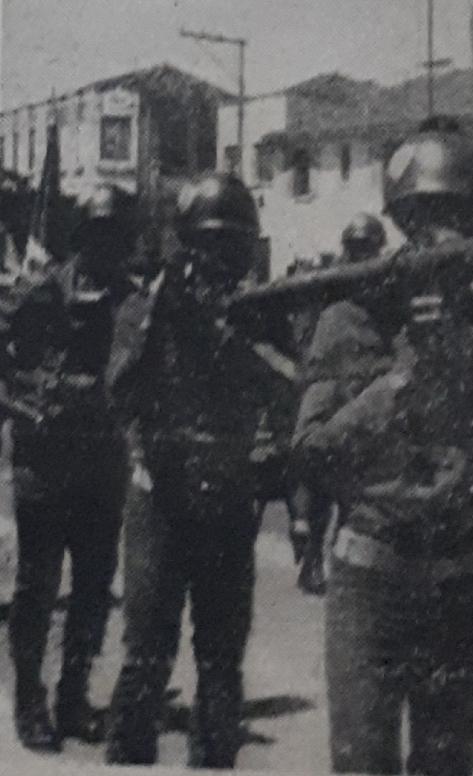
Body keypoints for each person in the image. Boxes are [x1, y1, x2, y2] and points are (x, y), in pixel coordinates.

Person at [292, 117, 473, 776]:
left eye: (463, 221)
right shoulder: (349, 320)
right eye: (431, 219)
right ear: (405, 225)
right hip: (373, 587)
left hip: (463, 587)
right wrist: (397, 383)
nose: (447, 236)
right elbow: (309, 451)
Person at [105, 173, 296, 768]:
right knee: (145, 659)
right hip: (160, 502)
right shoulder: (147, 307)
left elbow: (291, 391)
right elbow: (121, 393)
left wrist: (237, 338)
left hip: (227, 505)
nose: (218, 263)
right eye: (207, 248)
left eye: (231, 249)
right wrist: (160, 313)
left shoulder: (260, 315)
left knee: (220, 663)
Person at [2, 183, 136, 751]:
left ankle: (74, 697)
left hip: (101, 464)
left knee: (91, 588)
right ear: (81, 238)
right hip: (45, 462)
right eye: (98, 235)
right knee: (36, 588)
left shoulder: (132, 299)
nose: (107, 248)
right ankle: (29, 704)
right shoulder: (42, 294)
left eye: (117, 238)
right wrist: (22, 401)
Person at [288, 212, 388, 595]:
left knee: (356, 498)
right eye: (358, 249)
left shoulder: (384, 296)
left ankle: (345, 566)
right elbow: (313, 351)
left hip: (366, 401)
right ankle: (311, 557)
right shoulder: (331, 300)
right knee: (315, 477)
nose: (364, 257)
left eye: (370, 249)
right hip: (330, 393)